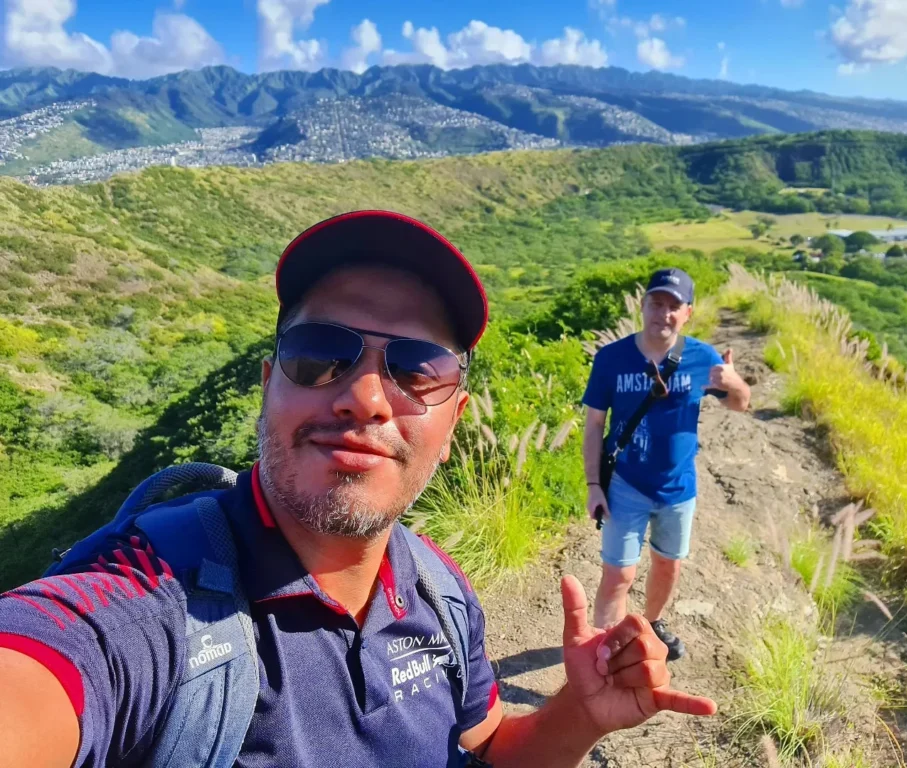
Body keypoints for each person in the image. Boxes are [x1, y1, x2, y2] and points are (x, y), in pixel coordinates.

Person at [0, 211, 716, 768]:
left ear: (454, 420)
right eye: (320, 354)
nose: (366, 398)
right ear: (267, 388)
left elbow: (490, 746)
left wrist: (578, 715)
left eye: (417, 368)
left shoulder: (439, 590)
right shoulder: (147, 606)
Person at [582, 268, 751, 660]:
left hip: (678, 488)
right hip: (625, 484)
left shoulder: (703, 358)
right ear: (643, 306)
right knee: (618, 574)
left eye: (674, 306)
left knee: (667, 565)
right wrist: (593, 485)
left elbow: (741, 403)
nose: (664, 313)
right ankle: (604, 649)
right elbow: (593, 425)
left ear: (688, 313)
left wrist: (734, 383)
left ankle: (652, 622)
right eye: (656, 303)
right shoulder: (611, 359)